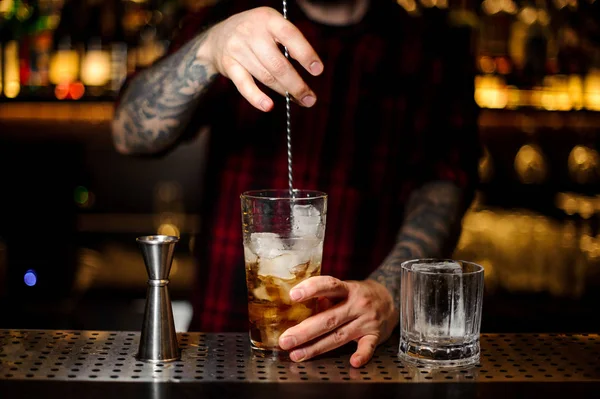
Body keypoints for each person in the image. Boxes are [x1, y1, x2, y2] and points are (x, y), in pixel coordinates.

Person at [111, 0, 480, 368]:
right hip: (224, 350)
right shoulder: (228, 20)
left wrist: (390, 291)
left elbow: (446, 183)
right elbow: (130, 135)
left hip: (361, 354)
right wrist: (209, 50)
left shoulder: (431, 48)